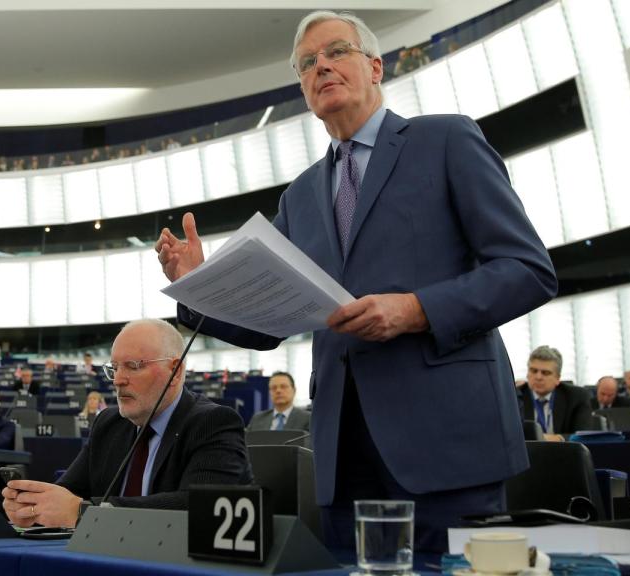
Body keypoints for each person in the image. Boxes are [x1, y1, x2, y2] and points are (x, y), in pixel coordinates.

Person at [154, 10, 556, 559]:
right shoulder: (299, 196)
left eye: (336, 51)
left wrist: (416, 309)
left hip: (447, 445)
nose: (321, 66)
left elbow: (527, 269)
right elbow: (266, 326)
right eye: (306, 64)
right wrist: (198, 285)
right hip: (343, 456)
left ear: (375, 67)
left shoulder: (446, 140)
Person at [2, 319, 253, 528]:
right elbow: (69, 492)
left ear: (175, 371)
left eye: (133, 366)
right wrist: (34, 506)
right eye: (114, 368)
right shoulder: (108, 423)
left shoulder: (213, 422)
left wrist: (84, 512)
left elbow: (200, 505)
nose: (118, 380)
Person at [518, 346, 594, 441]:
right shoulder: (516, 396)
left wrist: (557, 438)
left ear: (557, 378)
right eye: (533, 371)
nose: (538, 377)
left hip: (564, 449)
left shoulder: (577, 397)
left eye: (545, 373)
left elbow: (583, 436)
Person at [246, 372, 311, 432]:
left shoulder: (307, 419)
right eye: (274, 388)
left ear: (294, 390)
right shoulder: (257, 419)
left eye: (283, 387)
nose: (278, 391)